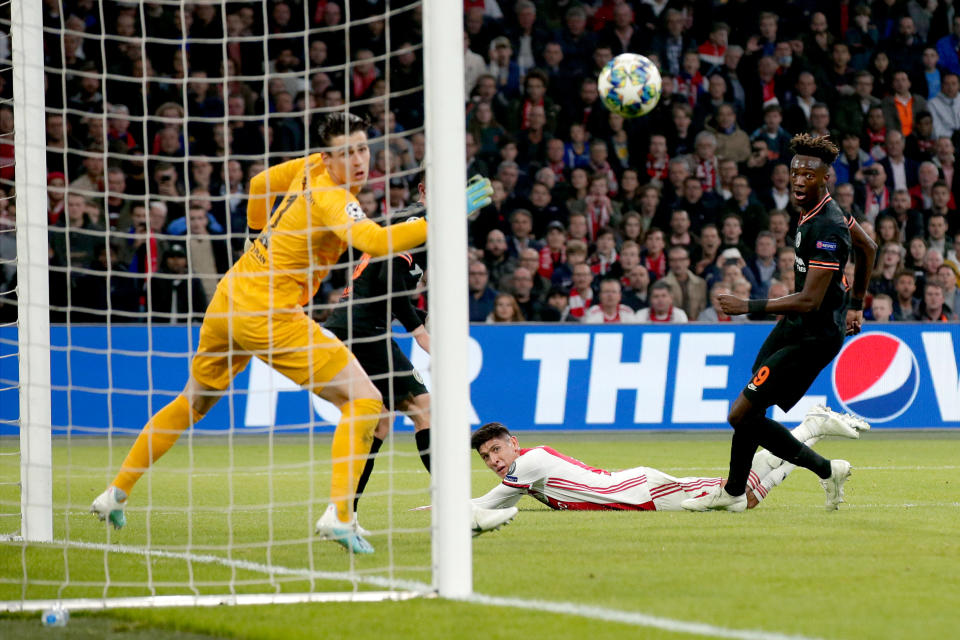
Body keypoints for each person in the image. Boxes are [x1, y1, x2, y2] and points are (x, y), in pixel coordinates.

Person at [91, 114, 493, 555]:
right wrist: (443, 220)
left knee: (191, 403)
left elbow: (261, 183)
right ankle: (339, 515)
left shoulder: (309, 167)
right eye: (346, 152)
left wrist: (254, 235)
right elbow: (373, 242)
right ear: (330, 157)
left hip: (231, 297)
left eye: (362, 148)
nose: (358, 160)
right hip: (270, 313)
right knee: (365, 400)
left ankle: (116, 493)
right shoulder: (331, 195)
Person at [682, 134, 877, 513]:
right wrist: (856, 305)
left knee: (739, 414)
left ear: (826, 179)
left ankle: (825, 469)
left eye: (809, 173)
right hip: (796, 326)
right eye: (795, 172)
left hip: (814, 336)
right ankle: (734, 491)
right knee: (751, 411)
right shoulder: (815, 211)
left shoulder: (829, 228)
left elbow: (810, 299)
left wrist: (747, 305)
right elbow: (869, 247)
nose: (799, 179)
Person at [470, 412, 868, 512]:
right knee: (742, 491)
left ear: (514, 444)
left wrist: (442, 508)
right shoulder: (529, 467)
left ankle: (812, 427)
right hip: (637, 489)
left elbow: (489, 505)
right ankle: (813, 434)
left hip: (640, 492)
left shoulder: (531, 461)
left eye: (496, 451)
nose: (493, 460)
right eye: (487, 456)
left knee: (743, 497)